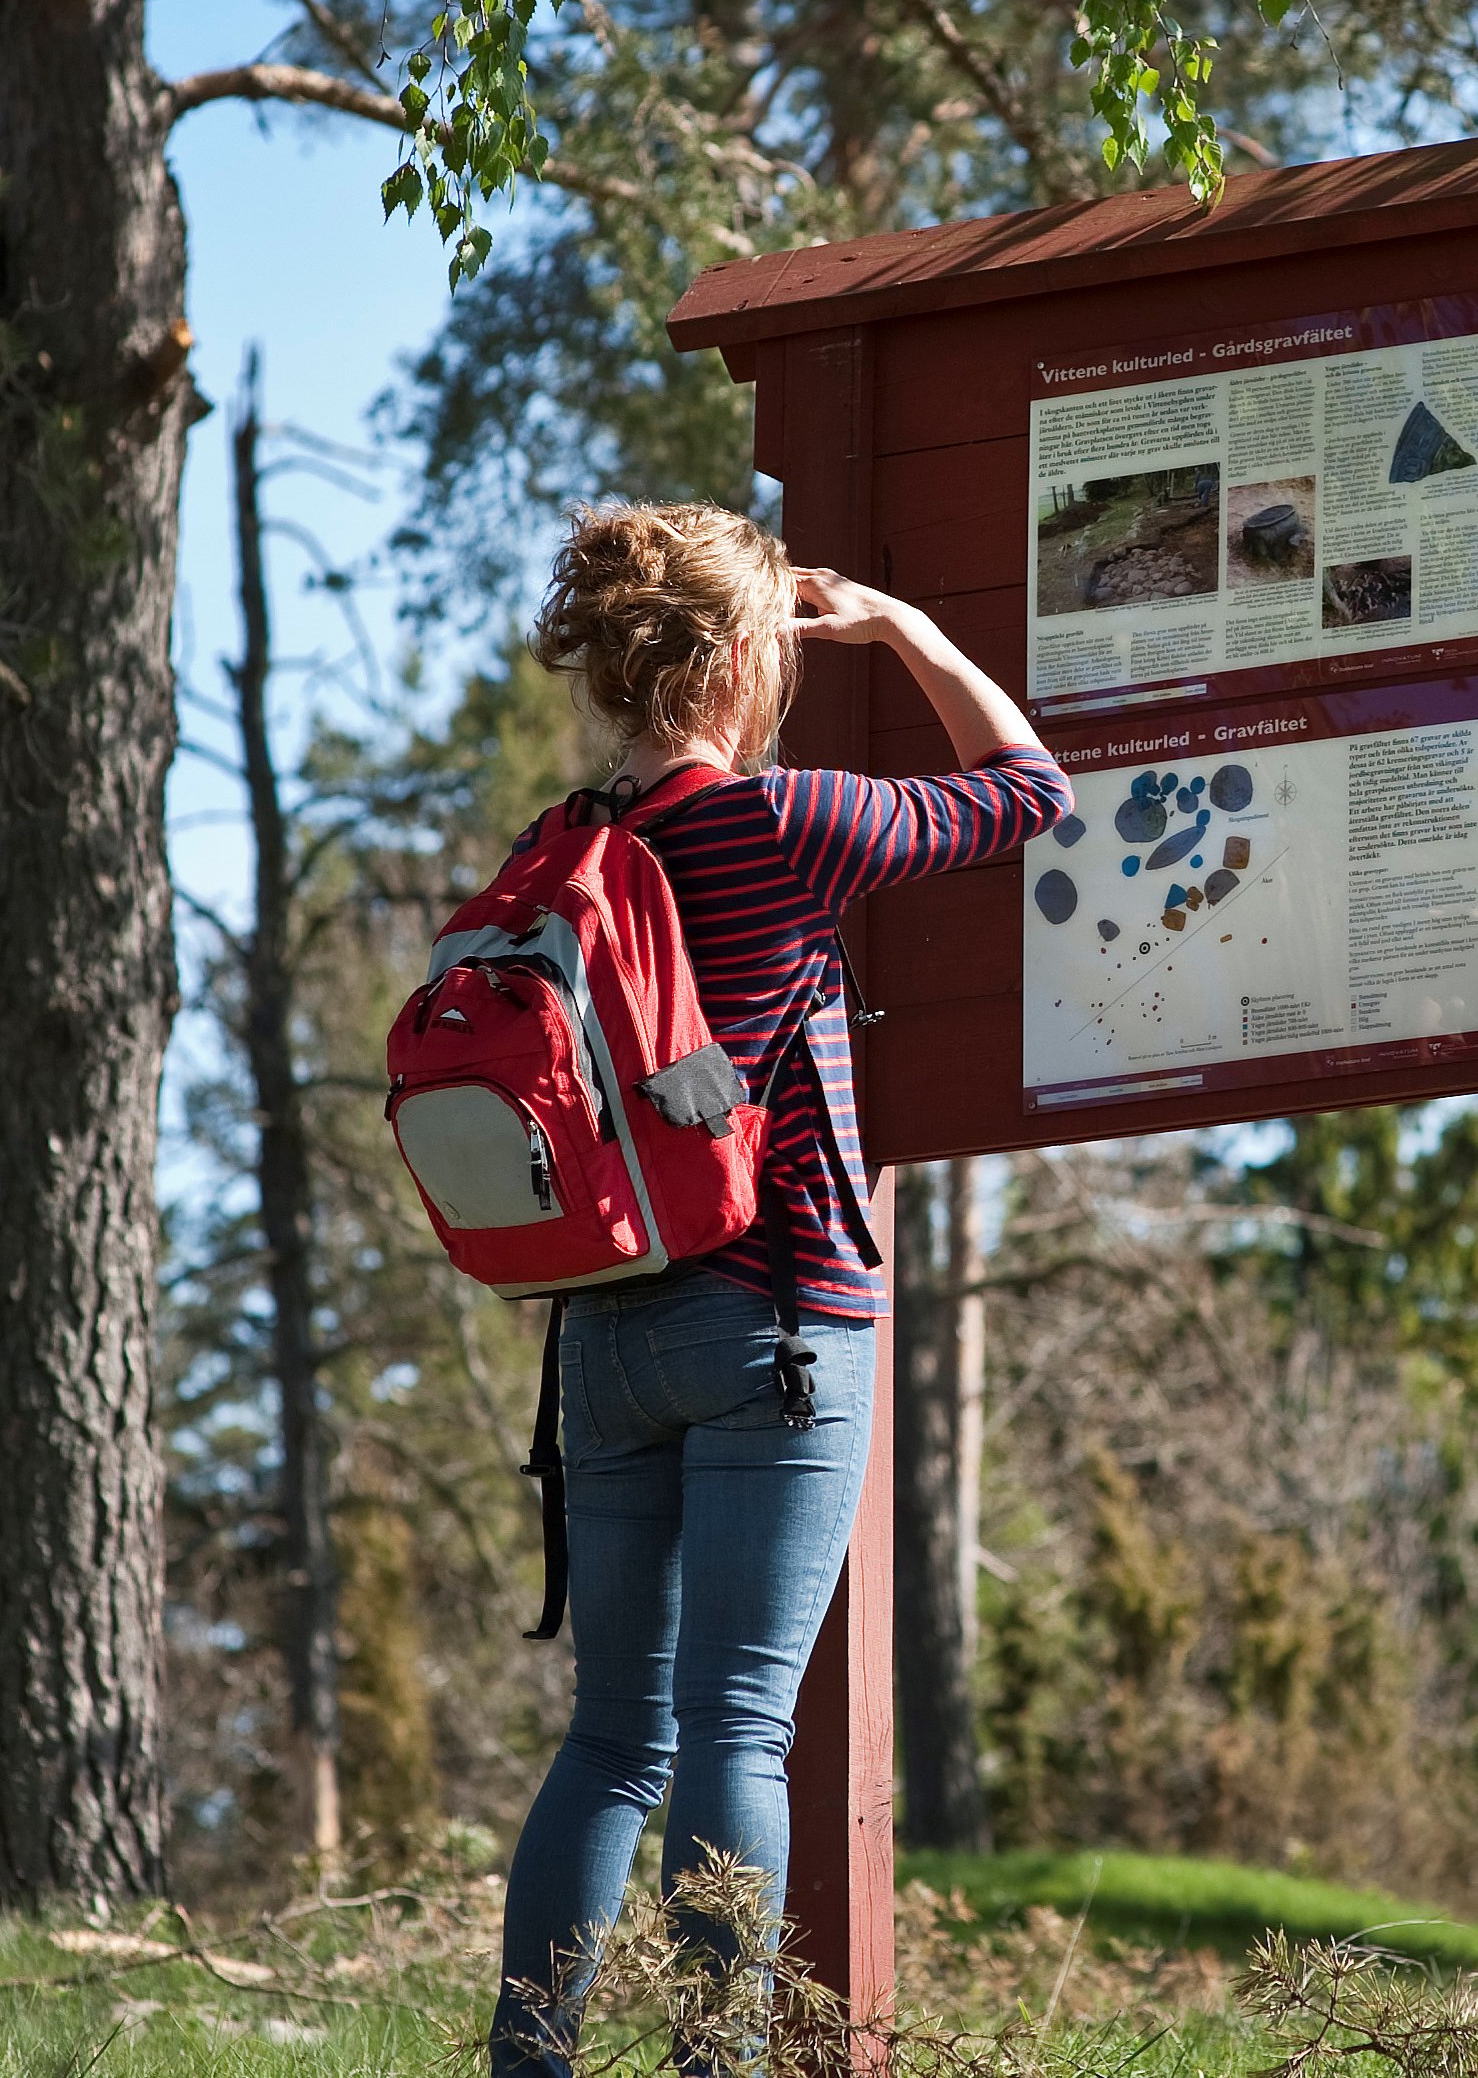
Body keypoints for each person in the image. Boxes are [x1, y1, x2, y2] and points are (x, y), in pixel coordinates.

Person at [492, 501, 1065, 2078]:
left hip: (605, 1335)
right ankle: (714, 2066)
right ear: (744, 659)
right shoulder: (787, 820)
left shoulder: (560, 851)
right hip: (780, 1320)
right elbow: (1031, 791)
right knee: (739, 1724)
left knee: (613, 1737)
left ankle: (529, 2062)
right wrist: (905, 629)